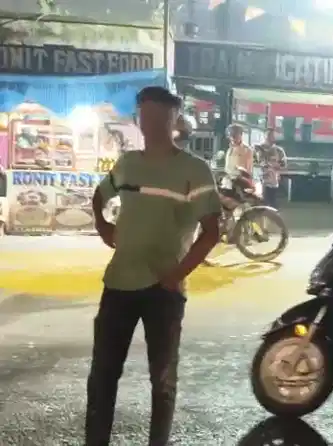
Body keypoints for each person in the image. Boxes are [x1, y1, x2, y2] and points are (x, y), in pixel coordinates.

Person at [84, 86, 221, 446]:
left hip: (164, 291)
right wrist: (102, 223)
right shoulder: (128, 163)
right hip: (118, 284)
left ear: (174, 120)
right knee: (102, 377)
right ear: (139, 119)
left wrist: (177, 274)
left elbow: (212, 232)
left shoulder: (194, 170)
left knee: (162, 381)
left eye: (161, 116)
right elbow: (100, 195)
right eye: (146, 115)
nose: (152, 123)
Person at [257, 127, 287, 208]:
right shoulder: (257, 149)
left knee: (272, 204)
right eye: (268, 135)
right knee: (260, 204)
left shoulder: (279, 150)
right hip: (259, 181)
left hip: (273, 182)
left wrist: (275, 166)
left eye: (272, 135)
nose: (270, 137)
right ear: (264, 136)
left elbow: (283, 164)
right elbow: (253, 163)